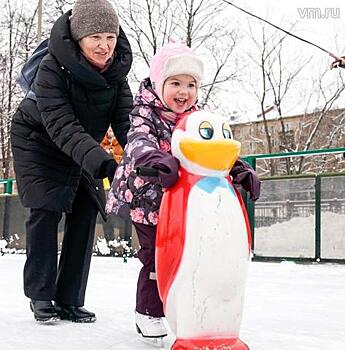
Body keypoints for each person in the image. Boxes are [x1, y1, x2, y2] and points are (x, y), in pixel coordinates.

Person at [106, 42, 260, 338]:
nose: (183, 91)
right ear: (158, 83)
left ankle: (188, 306)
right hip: (146, 198)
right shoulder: (144, 112)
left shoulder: (199, 118)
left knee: (189, 255)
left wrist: (240, 169)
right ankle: (148, 311)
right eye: (175, 83)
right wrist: (155, 158)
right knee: (155, 256)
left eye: (191, 84)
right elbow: (138, 142)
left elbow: (213, 149)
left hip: (182, 202)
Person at [10, 0, 133, 323]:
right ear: (78, 38)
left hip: (80, 145)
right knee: (46, 207)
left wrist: (144, 157)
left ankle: (69, 299)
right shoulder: (53, 68)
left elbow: (128, 124)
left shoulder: (117, 72)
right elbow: (62, 125)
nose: (105, 46)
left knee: (86, 206)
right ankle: (40, 295)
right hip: (37, 138)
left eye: (110, 36)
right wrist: (104, 163)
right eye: (96, 38)